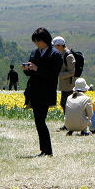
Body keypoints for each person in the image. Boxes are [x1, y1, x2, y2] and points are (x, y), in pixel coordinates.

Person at [23, 27, 62, 157]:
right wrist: (27, 69)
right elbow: (31, 72)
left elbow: (53, 75)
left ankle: (47, 150)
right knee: (38, 121)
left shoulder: (55, 54)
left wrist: (37, 69)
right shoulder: (35, 52)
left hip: (45, 92)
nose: (36, 44)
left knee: (40, 120)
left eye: (38, 41)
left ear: (45, 40)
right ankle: (44, 150)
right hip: (34, 91)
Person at [52, 36, 77, 125]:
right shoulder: (62, 54)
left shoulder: (68, 56)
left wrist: (58, 75)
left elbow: (71, 72)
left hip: (69, 85)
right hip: (64, 84)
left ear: (60, 46)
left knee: (66, 104)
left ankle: (69, 124)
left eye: (55, 46)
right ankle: (67, 123)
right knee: (64, 104)